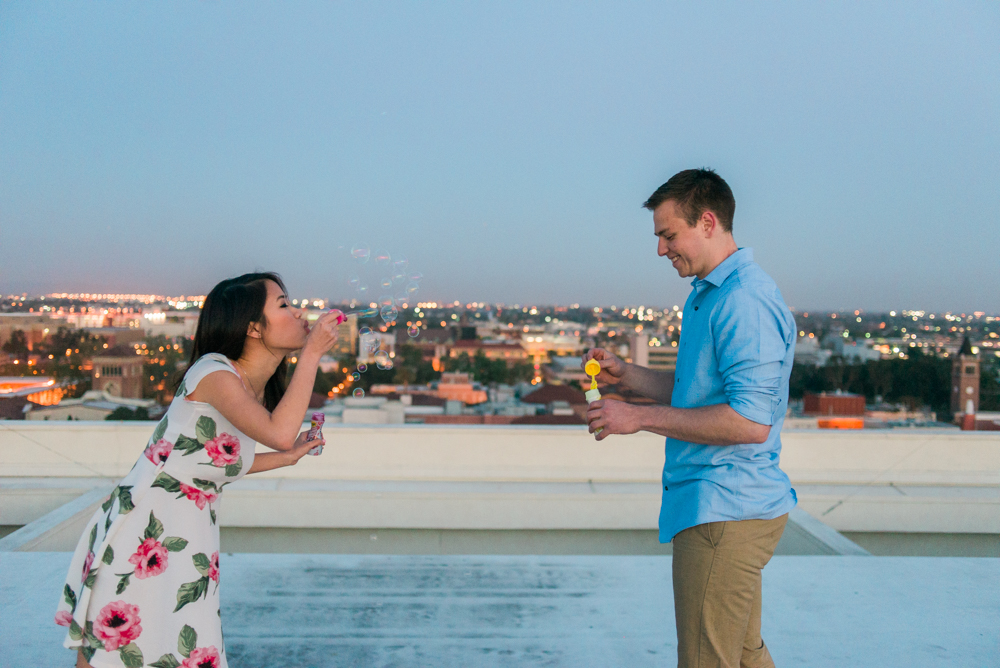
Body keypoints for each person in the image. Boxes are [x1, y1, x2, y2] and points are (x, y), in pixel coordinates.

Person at [55, 272, 342, 668]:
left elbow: (206, 465)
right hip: (144, 534)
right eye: (283, 305)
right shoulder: (213, 373)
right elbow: (278, 432)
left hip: (185, 539)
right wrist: (312, 354)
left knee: (175, 648)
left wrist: (288, 456)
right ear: (253, 328)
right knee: (116, 652)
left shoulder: (243, 385)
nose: (297, 312)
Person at [583, 169, 797, 668]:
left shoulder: (744, 299)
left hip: (726, 508)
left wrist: (637, 418)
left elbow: (749, 422)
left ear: (707, 221)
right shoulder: (712, 292)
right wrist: (628, 376)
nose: (661, 249)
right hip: (724, 504)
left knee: (706, 660)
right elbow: (696, 393)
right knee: (743, 655)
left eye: (667, 234)